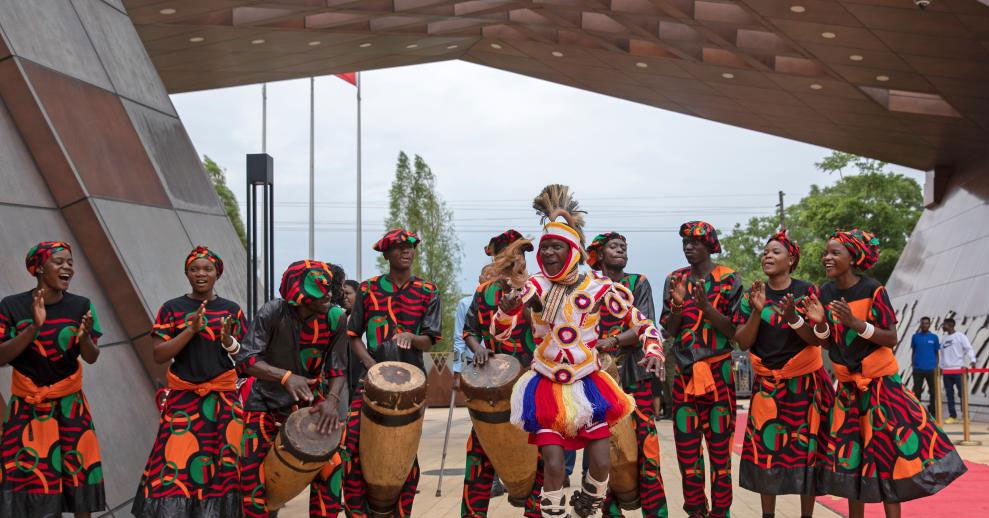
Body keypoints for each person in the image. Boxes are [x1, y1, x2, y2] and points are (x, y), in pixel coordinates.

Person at [494, 185, 664, 518]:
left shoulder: (598, 286)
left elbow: (640, 321)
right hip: (546, 386)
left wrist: (654, 349)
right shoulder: (535, 285)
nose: (548, 255)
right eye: (544, 249)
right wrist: (506, 310)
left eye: (556, 247)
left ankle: (584, 509)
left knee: (602, 463)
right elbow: (501, 331)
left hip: (588, 385)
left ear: (572, 251)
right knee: (555, 466)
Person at [813, 229, 966, 518]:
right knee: (850, 463)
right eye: (827, 252)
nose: (827, 258)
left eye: (835, 253)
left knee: (888, 458)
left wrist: (855, 323)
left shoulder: (873, 290)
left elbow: (890, 337)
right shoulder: (825, 293)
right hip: (847, 391)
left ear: (853, 257)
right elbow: (827, 341)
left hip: (881, 388)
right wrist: (820, 323)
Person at [132, 247, 247, 518]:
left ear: (217, 273)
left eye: (207, 269)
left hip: (223, 402)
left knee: (224, 468)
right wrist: (190, 330)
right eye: (195, 269)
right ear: (186, 273)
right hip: (184, 401)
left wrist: (228, 341)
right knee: (174, 465)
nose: (201, 274)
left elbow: (245, 358)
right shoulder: (172, 308)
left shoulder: (232, 310)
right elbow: (159, 354)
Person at [732, 230, 834, 518]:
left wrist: (793, 318)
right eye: (766, 251)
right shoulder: (755, 293)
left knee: (806, 453)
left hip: (805, 385)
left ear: (791, 260)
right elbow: (743, 341)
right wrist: (757, 310)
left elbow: (817, 339)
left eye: (775, 252)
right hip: (768, 386)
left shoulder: (806, 291)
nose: (768, 255)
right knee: (768, 450)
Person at [235, 260, 349, 518]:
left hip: (310, 405)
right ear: (299, 295)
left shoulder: (335, 318)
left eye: (328, 287)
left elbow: (338, 368)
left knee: (332, 467)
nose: (328, 293)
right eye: (319, 289)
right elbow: (247, 359)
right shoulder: (272, 312)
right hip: (262, 403)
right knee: (250, 476)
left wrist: (331, 401)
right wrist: (285, 377)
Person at [0, 241, 105, 518]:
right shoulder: (11, 306)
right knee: (31, 479)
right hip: (27, 408)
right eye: (59, 262)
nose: (67, 267)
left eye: (70, 262)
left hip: (70, 406)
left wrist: (85, 339)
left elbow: (92, 356)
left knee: (78, 474)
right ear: (38, 268)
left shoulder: (81, 305)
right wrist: (34, 327)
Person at [345, 228, 442, 517]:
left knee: (401, 454)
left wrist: (412, 338)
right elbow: (352, 335)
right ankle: (357, 512)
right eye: (399, 247)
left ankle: (399, 512)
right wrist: (372, 367)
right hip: (369, 383)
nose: (406, 251)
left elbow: (430, 338)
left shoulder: (427, 291)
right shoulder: (368, 288)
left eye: (411, 246)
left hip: (411, 387)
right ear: (386, 253)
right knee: (351, 448)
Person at [661, 221, 742, 518]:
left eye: (695, 242)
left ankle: (721, 512)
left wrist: (707, 308)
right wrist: (680, 307)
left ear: (709, 244)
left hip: (718, 374)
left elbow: (735, 330)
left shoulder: (728, 278)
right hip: (683, 376)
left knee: (721, 453)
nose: (688, 248)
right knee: (687, 452)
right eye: (685, 243)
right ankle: (695, 511)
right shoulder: (675, 278)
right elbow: (668, 330)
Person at [586, 232, 667, 518]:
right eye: (613, 246)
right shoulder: (586, 287)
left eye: (624, 246)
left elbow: (646, 323)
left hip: (634, 372)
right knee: (601, 445)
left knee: (646, 441)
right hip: (597, 376)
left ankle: (655, 512)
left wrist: (615, 341)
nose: (620, 249)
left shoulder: (638, 283)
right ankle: (609, 511)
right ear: (598, 253)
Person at [460, 230, 538, 517]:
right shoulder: (484, 292)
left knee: (538, 456)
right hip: (493, 386)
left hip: (531, 382)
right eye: (512, 252)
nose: (517, 258)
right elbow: (469, 331)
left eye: (522, 253)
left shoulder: (536, 288)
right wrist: (477, 348)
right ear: (498, 256)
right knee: (479, 455)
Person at [940, 317, 975, 424]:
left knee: (962, 394)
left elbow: (968, 348)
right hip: (946, 371)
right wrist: (941, 367)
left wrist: (972, 360)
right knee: (949, 394)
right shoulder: (944, 339)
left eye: (944, 324)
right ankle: (952, 416)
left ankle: (965, 415)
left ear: (950, 325)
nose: (943, 326)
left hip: (958, 370)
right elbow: (942, 355)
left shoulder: (960, 336)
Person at [910, 317, 939, 415]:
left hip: (931, 369)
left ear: (929, 324)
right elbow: (913, 352)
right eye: (923, 323)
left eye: (927, 323)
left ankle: (932, 411)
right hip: (918, 369)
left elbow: (936, 353)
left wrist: (936, 366)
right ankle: (918, 412)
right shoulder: (915, 337)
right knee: (917, 392)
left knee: (933, 392)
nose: (925, 325)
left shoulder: (934, 337)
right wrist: (913, 365)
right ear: (920, 324)